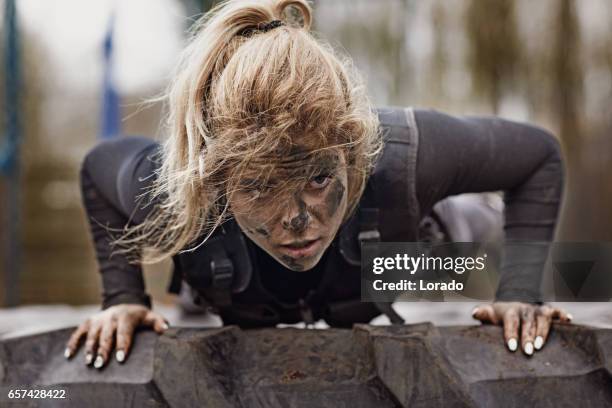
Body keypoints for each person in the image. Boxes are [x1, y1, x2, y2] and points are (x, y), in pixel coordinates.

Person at [64, 0, 572, 370]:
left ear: (352, 151)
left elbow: (537, 156)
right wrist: (123, 298)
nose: (297, 221)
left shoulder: (401, 153)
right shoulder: (181, 186)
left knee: (456, 244)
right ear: (216, 180)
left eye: (318, 177)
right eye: (260, 187)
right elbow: (97, 167)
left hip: (399, 256)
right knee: (203, 266)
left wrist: (521, 292)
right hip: (237, 282)